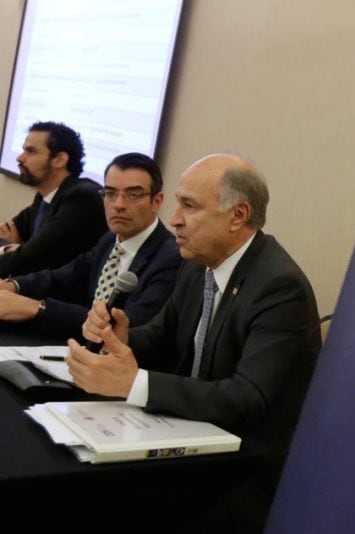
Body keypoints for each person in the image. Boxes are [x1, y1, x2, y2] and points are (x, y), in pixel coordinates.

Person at [70, 153, 321, 531]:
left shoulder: (279, 288)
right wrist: (123, 338)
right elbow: (164, 335)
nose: (174, 219)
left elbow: (247, 399)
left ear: (237, 215)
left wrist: (132, 383)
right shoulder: (197, 262)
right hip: (192, 435)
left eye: (190, 206)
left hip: (244, 469)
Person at [0, 153, 181, 339]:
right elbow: (65, 278)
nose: (118, 205)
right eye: (110, 193)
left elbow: (130, 325)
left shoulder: (171, 258)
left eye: (133, 195)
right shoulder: (110, 239)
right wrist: (12, 286)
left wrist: (38, 307)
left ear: (157, 201)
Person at [0, 121, 107, 278]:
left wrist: (15, 248)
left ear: (60, 160)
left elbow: (27, 261)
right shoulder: (45, 194)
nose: (20, 158)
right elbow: (6, 231)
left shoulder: (81, 199)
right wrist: (13, 248)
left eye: (31, 152)